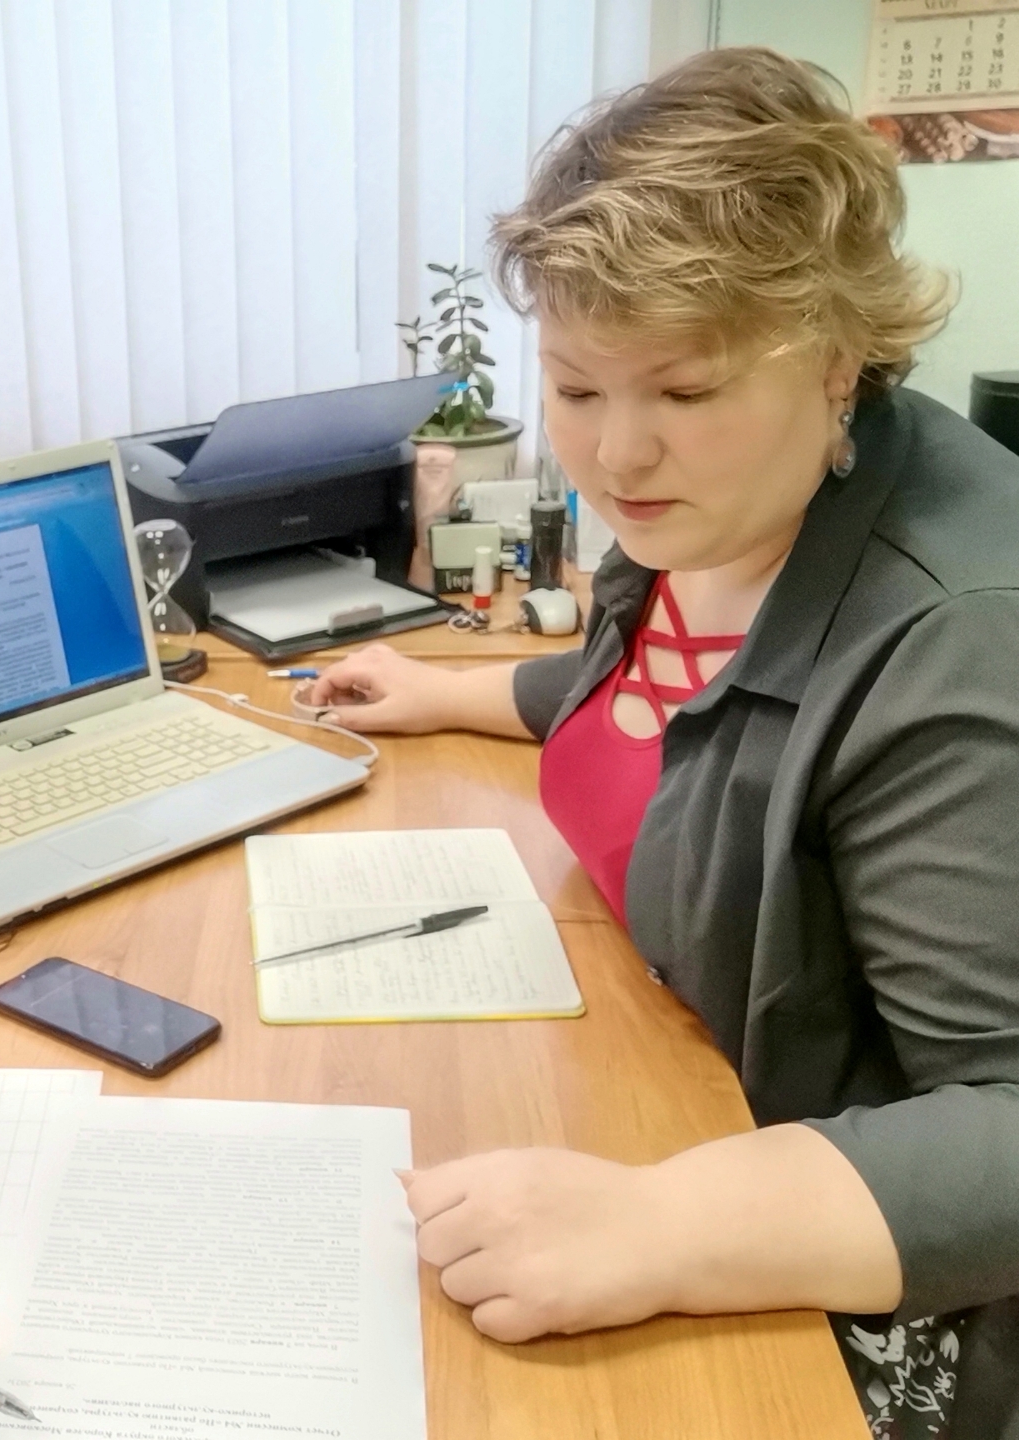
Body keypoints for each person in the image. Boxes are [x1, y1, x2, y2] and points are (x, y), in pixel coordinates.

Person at [304, 49, 1019, 1436]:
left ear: (837, 356)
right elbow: (674, 695)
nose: (617, 455)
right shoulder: (723, 503)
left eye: (684, 393)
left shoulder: (958, 639)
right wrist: (453, 693)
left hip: (869, 1290)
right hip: (665, 1084)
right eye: (577, 390)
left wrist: (659, 1224)